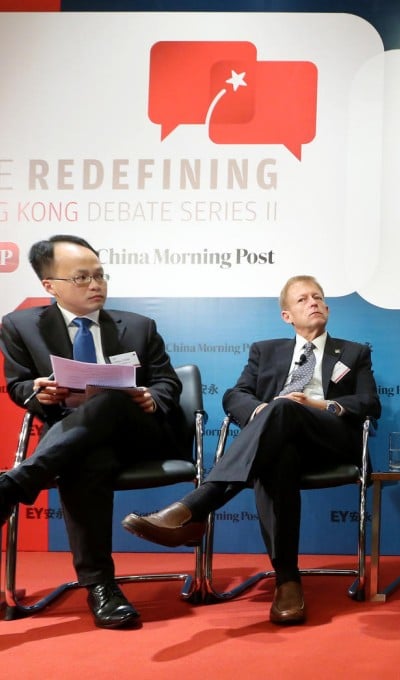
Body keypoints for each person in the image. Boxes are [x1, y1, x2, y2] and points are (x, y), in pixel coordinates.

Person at [122, 275, 380, 625]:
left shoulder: (353, 352)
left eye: (318, 297)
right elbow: (235, 395)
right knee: (278, 452)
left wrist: (318, 406)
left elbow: (368, 402)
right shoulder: (266, 349)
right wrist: (262, 412)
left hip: (329, 440)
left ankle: (195, 508)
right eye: (303, 299)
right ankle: (287, 579)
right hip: (277, 440)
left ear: (328, 308)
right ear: (287, 315)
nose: (313, 303)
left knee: (286, 408)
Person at [0, 234, 186, 629]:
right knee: (86, 458)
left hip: (140, 434)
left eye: (100, 275)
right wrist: (38, 392)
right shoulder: (19, 326)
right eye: (82, 278)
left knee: (111, 397)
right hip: (75, 442)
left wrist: (153, 397)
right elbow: (18, 387)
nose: (96, 285)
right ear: (50, 286)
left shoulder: (138, 326)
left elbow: (168, 383)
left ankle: (15, 485)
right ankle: (101, 587)